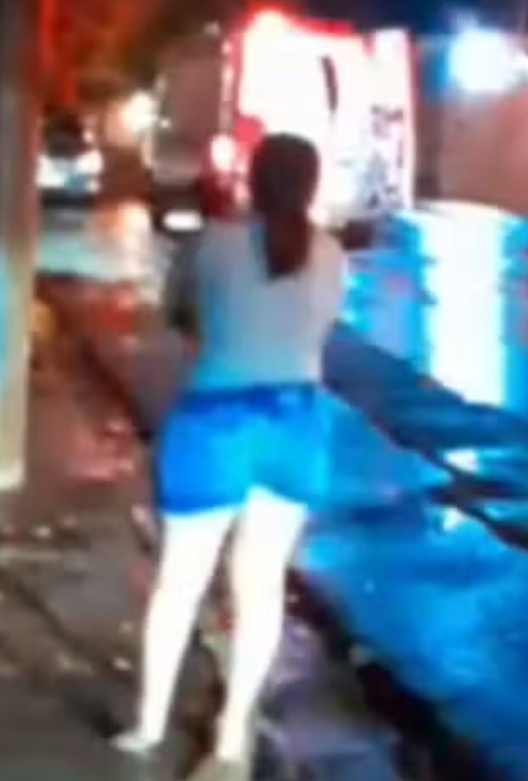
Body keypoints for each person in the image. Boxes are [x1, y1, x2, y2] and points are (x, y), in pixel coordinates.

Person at [114, 134, 348, 778]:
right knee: (261, 586)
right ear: (311, 186)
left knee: (179, 582)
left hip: (215, 420)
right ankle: (229, 739)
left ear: (252, 179)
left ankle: (147, 727)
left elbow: (177, 312)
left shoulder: (210, 244)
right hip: (295, 423)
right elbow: (318, 329)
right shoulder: (330, 255)